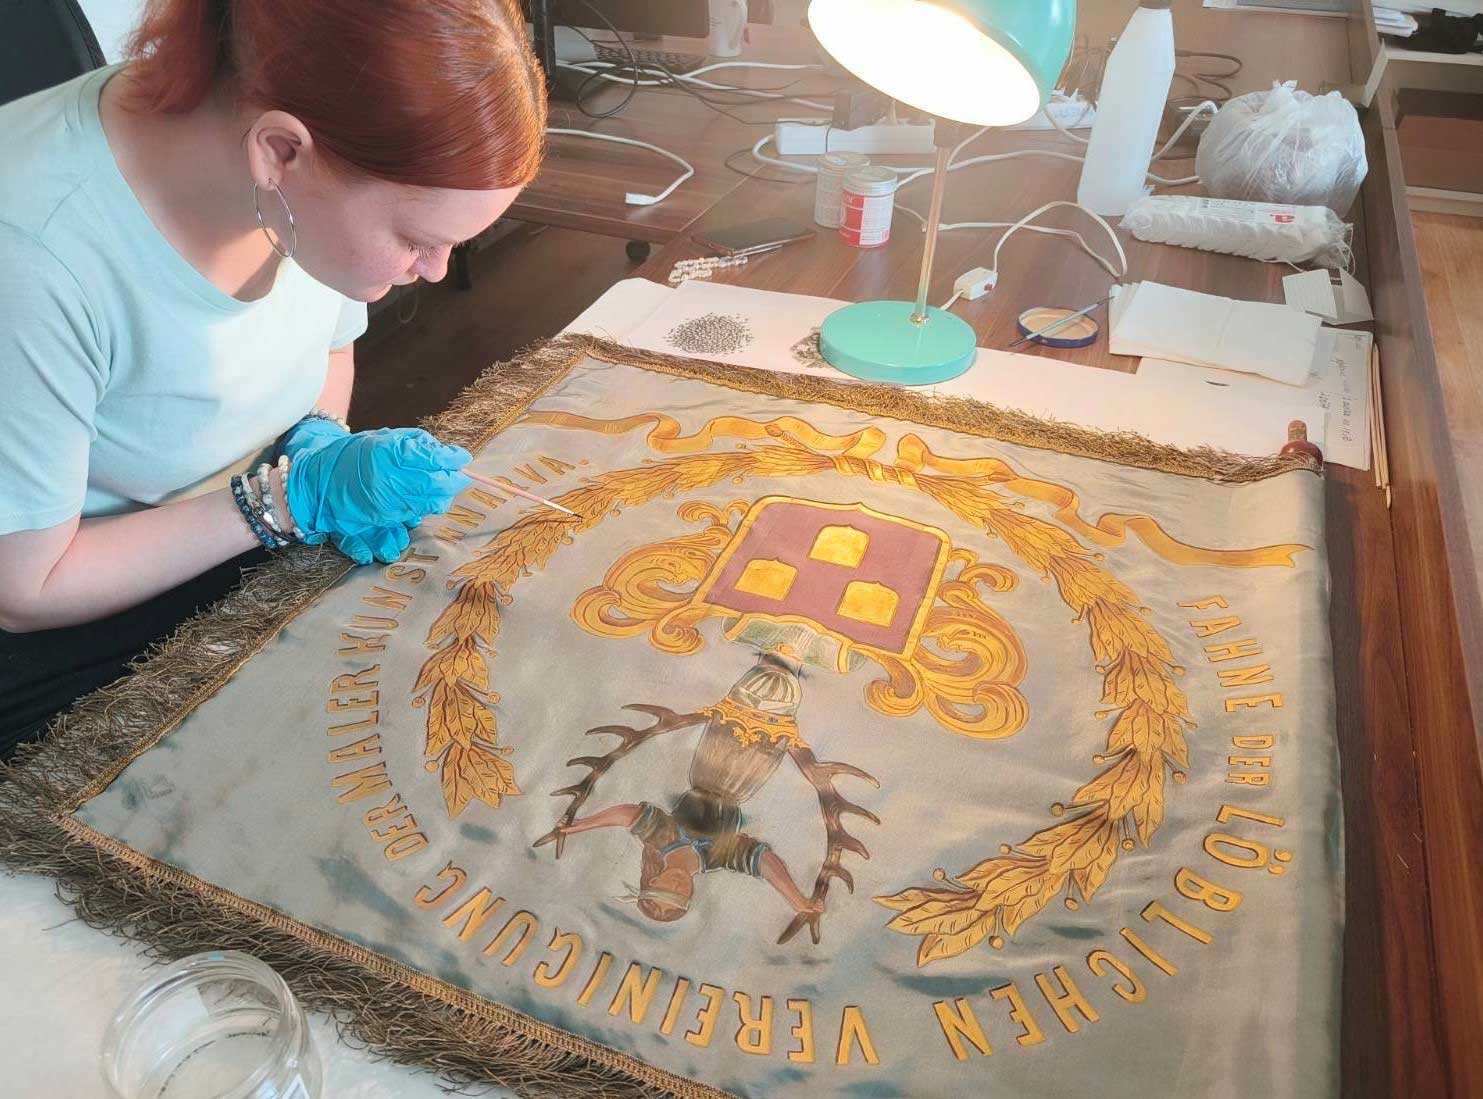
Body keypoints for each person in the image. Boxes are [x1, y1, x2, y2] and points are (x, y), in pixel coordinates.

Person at [0, 0, 548, 757]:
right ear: (281, 150)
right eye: (416, 240)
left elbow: (329, 345)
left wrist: (314, 436)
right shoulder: (33, 257)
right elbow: (24, 590)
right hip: (69, 612)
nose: (433, 270)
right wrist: (287, 500)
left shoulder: (284, 158)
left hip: (239, 526)